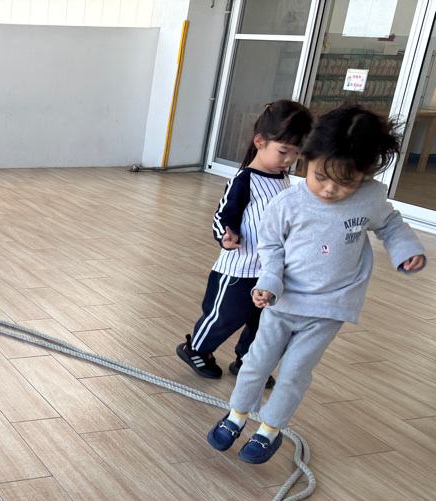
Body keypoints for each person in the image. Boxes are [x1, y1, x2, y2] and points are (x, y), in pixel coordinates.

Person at [207, 105, 426, 464]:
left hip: (329, 309)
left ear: (365, 175)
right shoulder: (287, 203)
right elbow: (270, 246)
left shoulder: (370, 197)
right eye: (320, 175)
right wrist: (269, 282)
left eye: (346, 182)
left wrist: (406, 250)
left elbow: (390, 224)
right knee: (255, 364)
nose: (329, 189)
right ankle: (236, 415)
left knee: (294, 373)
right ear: (307, 159)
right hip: (282, 303)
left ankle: (270, 430)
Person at [177, 100, 314, 387]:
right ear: (260, 142)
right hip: (238, 269)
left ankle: (248, 362)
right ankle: (196, 349)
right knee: (225, 316)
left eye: (296, 153)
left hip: (270, 271)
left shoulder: (282, 178)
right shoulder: (244, 180)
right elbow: (222, 216)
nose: (289, 159)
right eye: (283, 151)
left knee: (263, 322)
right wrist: (225, 237)